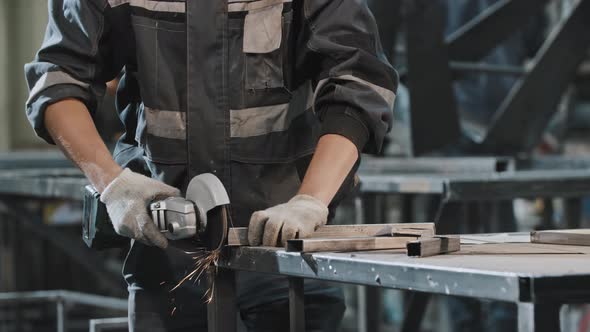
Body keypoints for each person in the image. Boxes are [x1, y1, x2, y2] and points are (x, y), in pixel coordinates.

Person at [24, 0, 398, 331]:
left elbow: (357, 84)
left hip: (286, 253)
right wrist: (113, 184)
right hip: (166, 251)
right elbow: (58, 81)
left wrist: (310, 201)